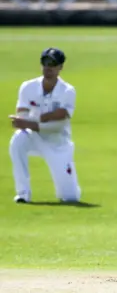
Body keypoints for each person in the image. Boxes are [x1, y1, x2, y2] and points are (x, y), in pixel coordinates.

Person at [8, 48, 82, 203]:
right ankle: (23, 193)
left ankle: (68, 190)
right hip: (33, 137)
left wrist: (32, 121)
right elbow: (21, 115)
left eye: (53, 64)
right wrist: (43, 119)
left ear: (61, 67)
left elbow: (59, 125)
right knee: (18, 140)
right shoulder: (28, 87)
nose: (48, 67)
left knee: (70, 197)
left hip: (57, 142)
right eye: (45, 62)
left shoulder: (68, 91)